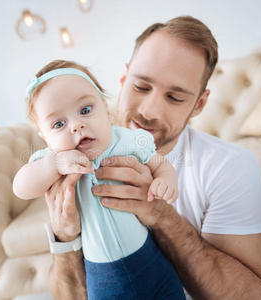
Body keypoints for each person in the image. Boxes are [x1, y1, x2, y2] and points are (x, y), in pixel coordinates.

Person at [44, 16, 261, 300]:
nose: (150, 110)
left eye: (175, 97)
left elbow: (258, 296)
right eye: (141, 87)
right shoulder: (73, 160)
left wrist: (162, 216)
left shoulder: (230, 168)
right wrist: (65, 240)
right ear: (123, 79)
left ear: (199, 104)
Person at [13, 60, 186, 299]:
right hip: (103, 273)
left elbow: (159, 163)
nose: (76, 125)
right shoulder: (54, 160)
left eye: (85, 110)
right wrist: (53, 165)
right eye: (59, 124)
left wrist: (167, 180)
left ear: (106, 110)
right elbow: (21, 186)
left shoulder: (125, 141)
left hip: (149, 257)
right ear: (45, 136)